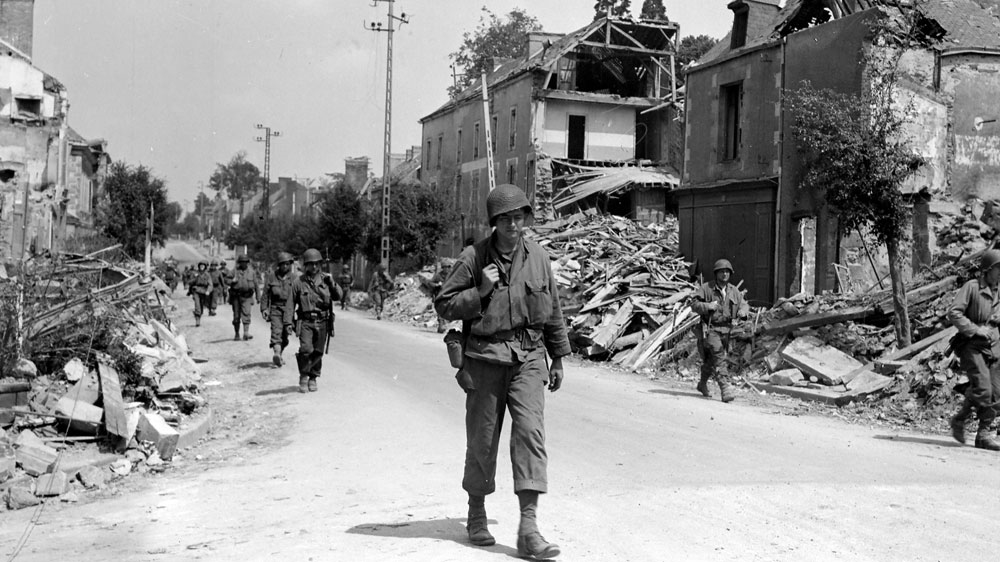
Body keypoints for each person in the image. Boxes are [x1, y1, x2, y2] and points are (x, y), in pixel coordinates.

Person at [434, 183, 570, 559]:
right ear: (494, 221)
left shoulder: (538, 257)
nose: (513, 225)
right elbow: (443, 304)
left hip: (529, 358)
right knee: (482, 440)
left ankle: (529, 528)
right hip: (484, 357)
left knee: (530, 434)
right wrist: (479, 290)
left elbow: (553, 310)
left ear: (526, 218)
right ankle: (476, 512)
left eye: (519, 217)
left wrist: (558, 356)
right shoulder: (474, 257)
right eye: (505, 219)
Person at [948, 249, 1000, 451]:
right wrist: (975, 329)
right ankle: (961, 419)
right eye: (998, 268)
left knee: (996, 391)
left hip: (994, 346)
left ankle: (982, 435)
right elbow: (954, 312)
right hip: (972, 346)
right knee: (983, 389)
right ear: (987, 269)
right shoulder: (972, 287)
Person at [690, 258, 750, 403]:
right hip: (711, 329)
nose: (724, 274)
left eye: (727, 272)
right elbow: (694, 304)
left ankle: (702, 384)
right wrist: (707, 306)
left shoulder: (733, 290)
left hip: (727, 330)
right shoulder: (706, 288)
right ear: (716, 273)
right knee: (719, 357)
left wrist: (743, 312)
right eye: (721, 272)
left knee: (712, 360)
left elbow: (744, 304)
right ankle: (725, 389)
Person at [289, 248, 341, 393]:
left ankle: (313, 377)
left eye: (316, 263)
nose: (314, 266)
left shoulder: (326, 279)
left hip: (323, 321)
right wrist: (289, 322)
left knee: (318, 352)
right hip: (306, 322)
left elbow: (338, 296)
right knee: (306, 349)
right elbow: (290, 304)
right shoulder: (298, 282)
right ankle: (303, 376)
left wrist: (332, 283)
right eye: (310, 264)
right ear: (305, 265)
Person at [261, 251, 296, 367]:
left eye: (287, 264)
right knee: (276, 332)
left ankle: (279, 354)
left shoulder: (294, 278)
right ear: (279, 265)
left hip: (289, 310)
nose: (285, 266)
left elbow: (300, 295)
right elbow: (265, 294)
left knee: (285, 336)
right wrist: (264, 309)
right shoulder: (272, 277)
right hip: (275, 308)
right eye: (283, 264)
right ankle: (276, 353)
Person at [229, 254, 260, 341]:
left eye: (245, 262)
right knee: (236, 316)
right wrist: (232, 281)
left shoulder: (251, 272)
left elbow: (256, 285)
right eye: (242, 262)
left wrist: (258, 297)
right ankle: (237, 333)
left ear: (247, 262)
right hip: (236, 296)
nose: (244, 263)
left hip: (247, 296)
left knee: (246, 314)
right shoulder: (234, 271)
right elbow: (226, 280)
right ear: (239, 262)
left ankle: (246, 332)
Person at [428, 259, 453, 333]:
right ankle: (441, 325)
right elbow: (430, 283)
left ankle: (444, 324)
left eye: (448, 267)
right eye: (446, 267)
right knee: (440, 310)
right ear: (443, 268)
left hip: (449, 296)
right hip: (439, 296)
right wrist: (437, 285)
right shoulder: (438, 275)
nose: (447, 269)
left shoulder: (451, 275)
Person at [188, 260, 213, 327]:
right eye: (201, 265)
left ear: (205, 267)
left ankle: (199, 314)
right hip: (196, 291)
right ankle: (197, 319)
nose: (202, 267)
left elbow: (210, 284)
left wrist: (208, 291)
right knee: (197, 305)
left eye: (203, 266)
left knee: (201, 306)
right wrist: (195, 278)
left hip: (204, 292)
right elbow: (189, 282)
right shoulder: (195, 273)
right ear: (199, 266)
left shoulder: (207, 275)